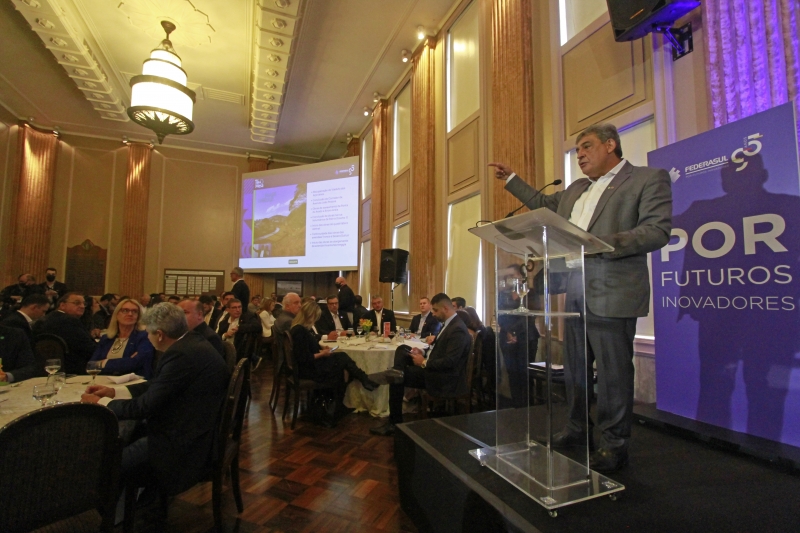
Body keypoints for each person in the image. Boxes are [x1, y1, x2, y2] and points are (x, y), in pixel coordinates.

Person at [489, 122, 672, 473]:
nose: (580, 155)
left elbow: (656, 231)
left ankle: (614, 443)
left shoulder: (647, 179)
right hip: (574, 289)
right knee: (574, 369)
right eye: (577, 150)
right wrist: (512, 180)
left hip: (613, 289)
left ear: (610, 144)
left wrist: (599, 244)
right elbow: (544, 205)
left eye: (586, 146)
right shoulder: (575, 189)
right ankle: (577, 428)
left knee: (613, 373)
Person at [80, 303, 229, 496]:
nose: (147, 338)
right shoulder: (191, 342)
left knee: (107, 462)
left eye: (148, 333)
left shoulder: (181, 354)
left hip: (181, 441)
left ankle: (114, 508)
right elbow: (159, 384)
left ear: (159, 334)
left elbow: (144, 407)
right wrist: (114, 392)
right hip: (192, 425)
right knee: (123, 439)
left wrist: (100, 404)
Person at [370, 293, 473, 436]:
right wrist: (422, 352)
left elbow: (450, 362)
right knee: (403, 349)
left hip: (443, 378)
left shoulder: (457, 329)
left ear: (445, 308)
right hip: (435, 369)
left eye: (435, 310)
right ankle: (396, 371)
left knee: (397, 379)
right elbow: (437, 349)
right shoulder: (449, 324)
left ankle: (394, 422)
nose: (433, 313)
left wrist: (424, 362)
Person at [290, 300, 378, 392]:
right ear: (310, 315)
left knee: (342, 357)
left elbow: (306, 350)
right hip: (309, 370)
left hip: (310, 366)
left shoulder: (299, 329)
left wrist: (322, 351)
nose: (315, 320)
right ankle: (363, 380)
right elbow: (304, 358)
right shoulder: (300, 331)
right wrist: (322, 353)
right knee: (343, 360)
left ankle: (363, 380)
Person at [34, 292, 98, 375]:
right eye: (77, 303)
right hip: (74, 370)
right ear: (62, 305)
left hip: (42, 369)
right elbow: (88, 349)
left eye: (84, 303)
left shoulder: (43, 320)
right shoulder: (70, 321)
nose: (82, 306)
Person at [90, 299, 155, 380]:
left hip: (132, 382)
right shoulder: (106, 338)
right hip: (104, 381)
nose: (130, 314)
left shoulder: (145, 337)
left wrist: (104, 362)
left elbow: (136, 363)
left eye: (134, 311)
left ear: (138, 317)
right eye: (125, 310)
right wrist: (127, 361)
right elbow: (92, 365)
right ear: (116, 315)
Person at [217, 298, 262, 366]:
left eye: (239, 307)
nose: (238, 310)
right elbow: (217, 338)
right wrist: (225, 335)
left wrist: (239, 328)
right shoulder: (223, 323)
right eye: (234, 308)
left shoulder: (247, 318)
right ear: (228, 309)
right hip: (225, 352)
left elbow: (257, 327)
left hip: (240, 352)